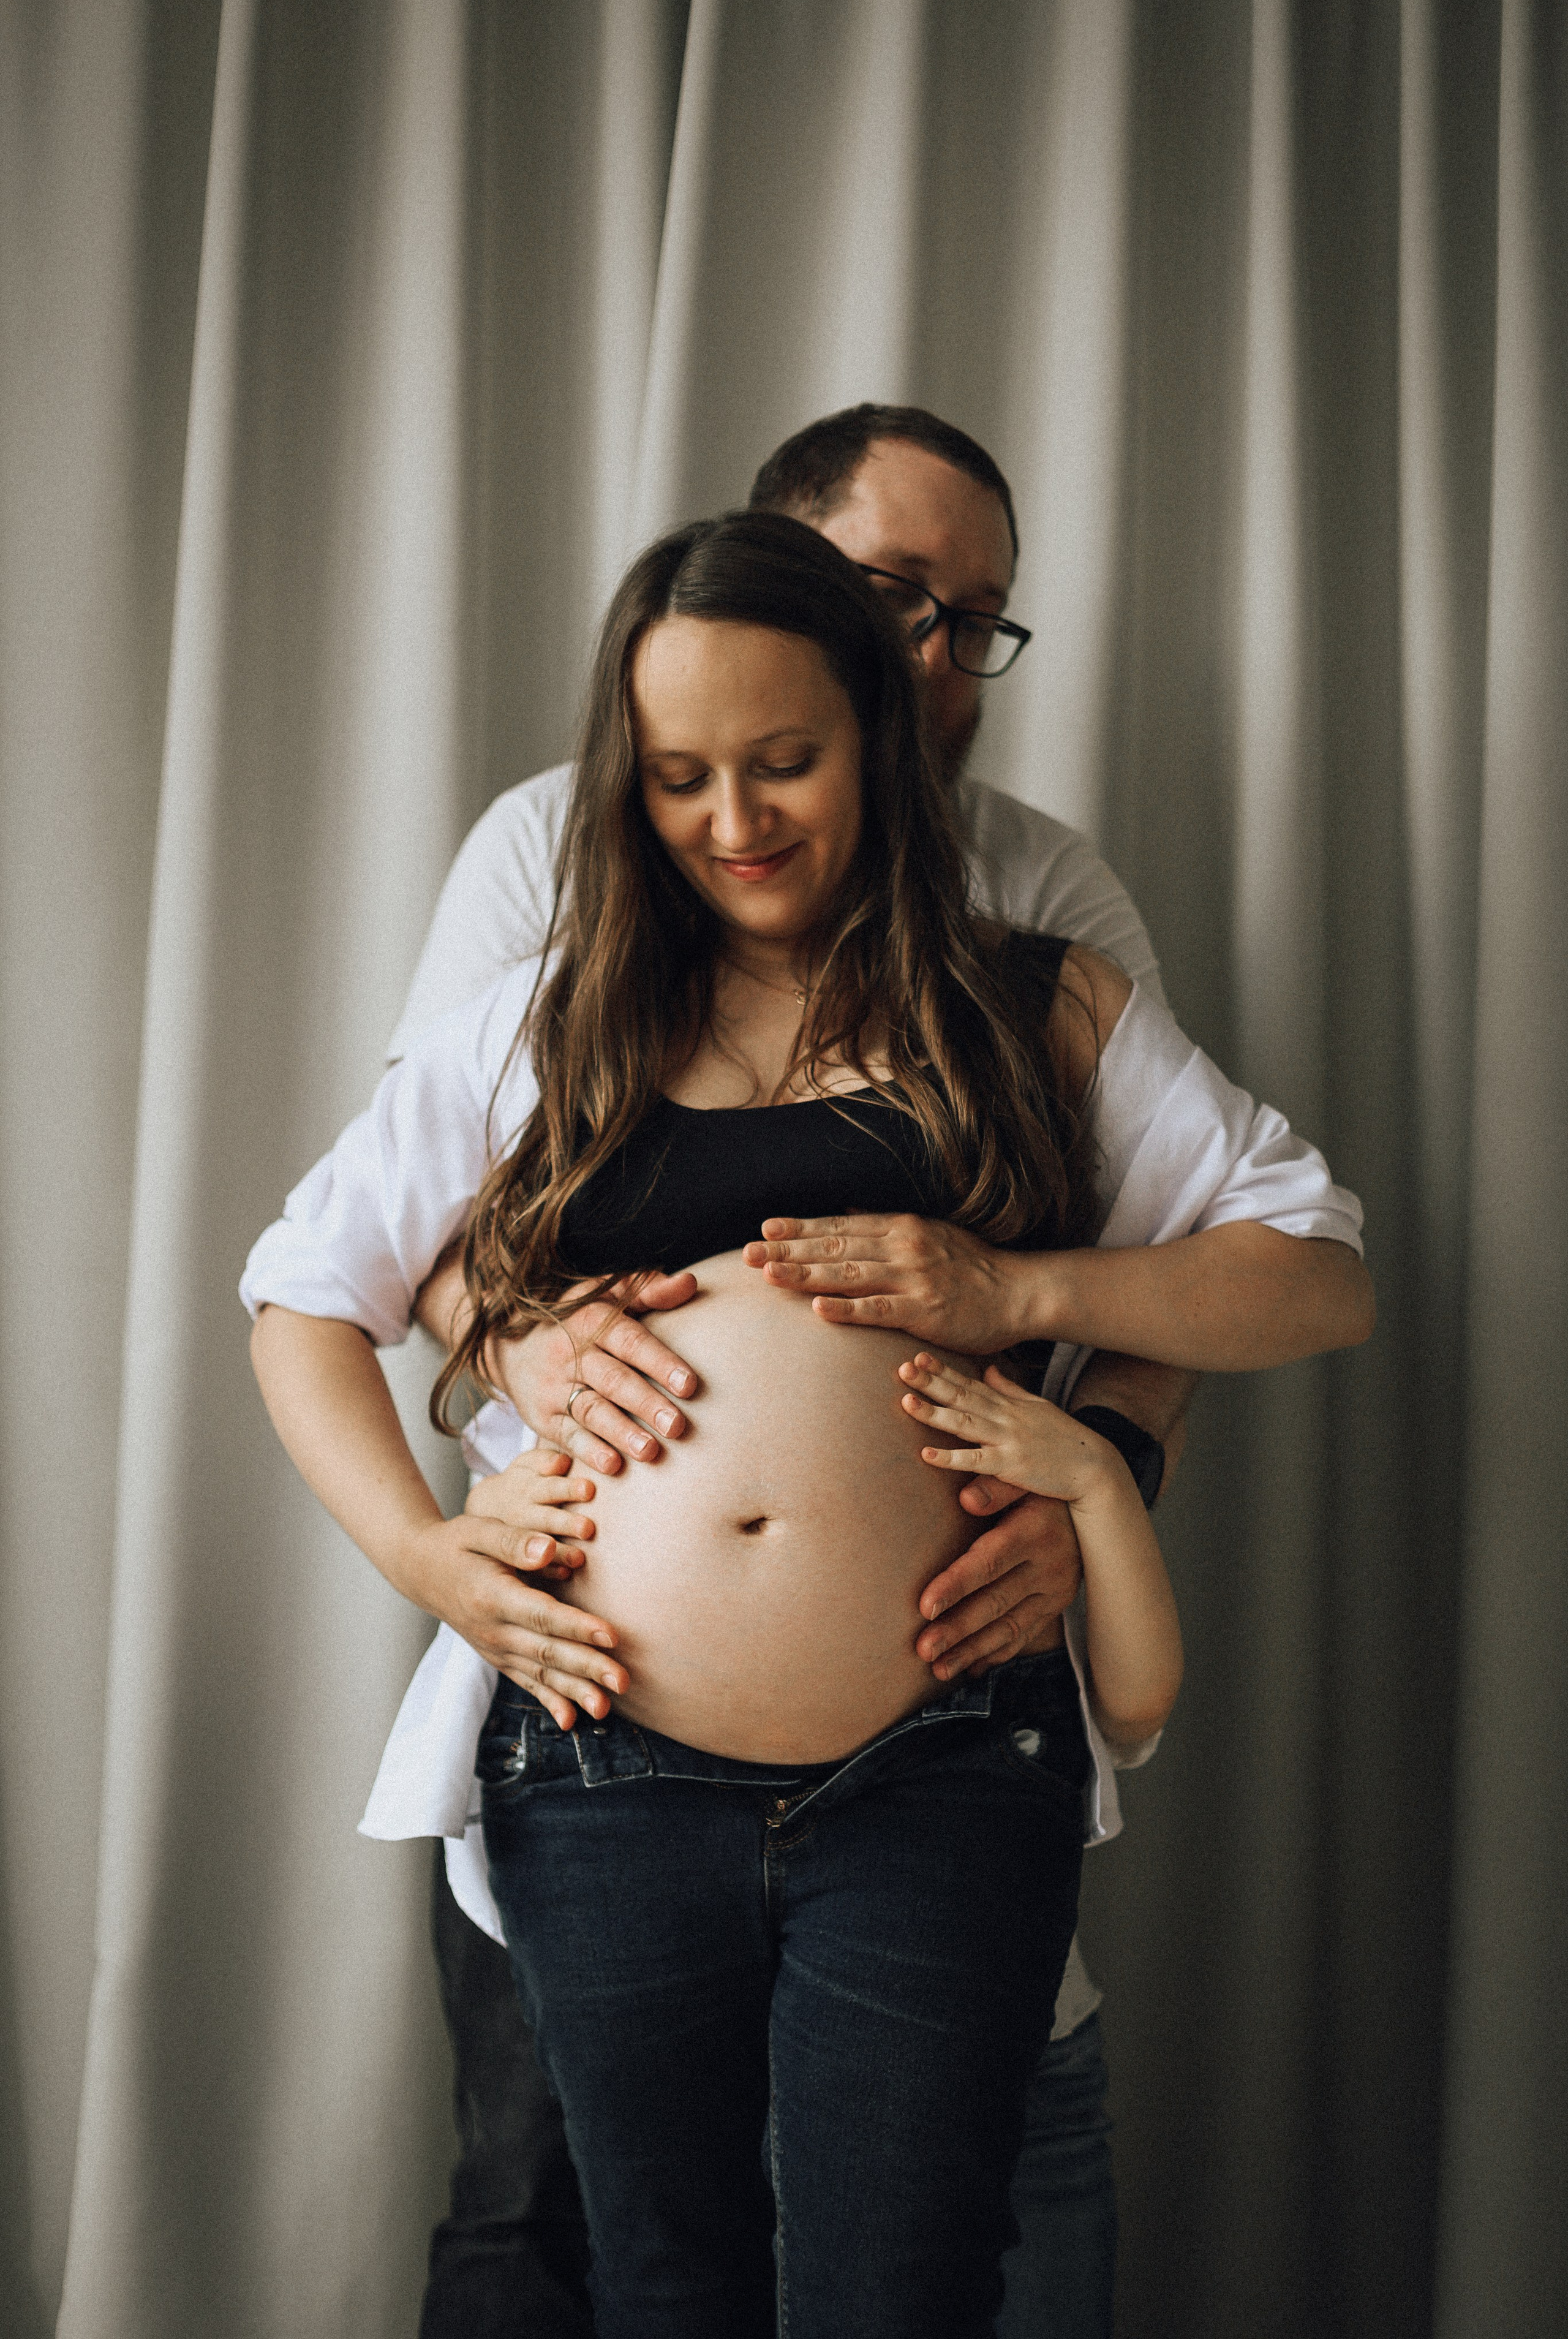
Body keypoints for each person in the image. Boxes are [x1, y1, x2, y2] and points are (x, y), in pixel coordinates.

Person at [243, 512, 1371, 2335]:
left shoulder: (1031, 1005)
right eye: (682, 778)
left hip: (941, 1760)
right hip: (603, 1763)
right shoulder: (558, 1022)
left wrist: (1024, 1297)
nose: (737, 821)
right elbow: (306, 1285)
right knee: (664, 2290)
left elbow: (1314, 1265)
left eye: (784, 763)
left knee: (901, 2293)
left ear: (880, 736)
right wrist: (427, 1554)